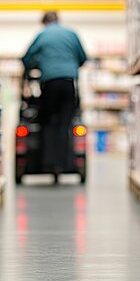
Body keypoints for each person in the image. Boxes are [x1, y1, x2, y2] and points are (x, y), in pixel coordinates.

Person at [22, 11, 87, 178]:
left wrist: (38, 64)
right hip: (68, 83)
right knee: (66, 123)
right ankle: (65, 163)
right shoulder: (71, 34)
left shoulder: (42, 35)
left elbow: (26, 58)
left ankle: (48, 162)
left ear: (44, 22)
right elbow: (83, 58)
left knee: (48, 122)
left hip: (49, 84)